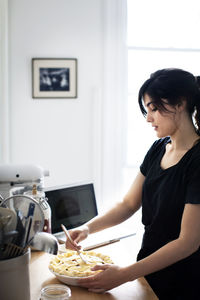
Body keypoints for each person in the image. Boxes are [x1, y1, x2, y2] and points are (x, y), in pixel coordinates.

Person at [65, 68, 200, 299]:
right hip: (149, 269)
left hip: (185, 280)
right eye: (147, 110)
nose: (148, 118)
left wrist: (124, 274)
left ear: (180, 104)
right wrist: (87, 228)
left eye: (154, 109)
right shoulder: (159, 148)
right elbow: (128, 203)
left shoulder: (197, 160)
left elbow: (188, 242)